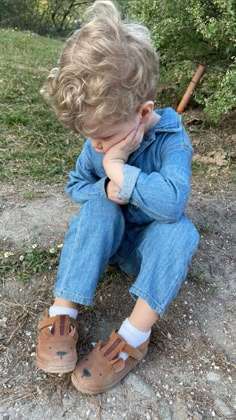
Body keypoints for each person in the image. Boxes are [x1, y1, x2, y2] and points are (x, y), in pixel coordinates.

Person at [36, 0, 199, 394]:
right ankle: (63, 310)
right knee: (100, 206)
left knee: (181, 231)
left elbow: (172, 202)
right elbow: (76, 185)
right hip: (108, 241)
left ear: (143, 114)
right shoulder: (98, 139)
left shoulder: (172, 140)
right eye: (89, 138)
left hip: (145, 247)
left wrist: (120, 170)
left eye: (104, 137)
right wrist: (105, 187)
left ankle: (134, 335)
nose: (95, 145)